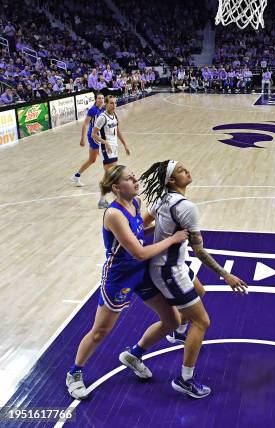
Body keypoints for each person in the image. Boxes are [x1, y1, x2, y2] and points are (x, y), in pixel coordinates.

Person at [66, 165, 188, 400]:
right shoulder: (113, 214)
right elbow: (140, 252)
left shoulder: (136, 204)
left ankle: (134, 354)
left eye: (134, 176)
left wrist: (165, 226)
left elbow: (139, 232)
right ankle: (74, 373)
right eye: (129, 178)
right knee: (100, 331)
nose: (135, 179)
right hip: (119, 276)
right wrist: (173, 239)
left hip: (140, 273)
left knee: (172, 320)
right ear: (116, 187)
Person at [137, 160, 248, 398]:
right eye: (180, 171)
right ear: (170, 180)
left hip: (172, 264)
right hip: (169, 270)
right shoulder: (187, 207)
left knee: (200, 290)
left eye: (185, 168)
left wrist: (157, 234)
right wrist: (225, 274)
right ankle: (185, 380)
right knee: (203, 322)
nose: (186, 171)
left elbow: (140, 225)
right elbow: (199, 250)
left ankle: (177, 333)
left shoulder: (162, 199)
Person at [92, 95, 130, 208]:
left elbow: (117, 131)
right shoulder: (102, 117)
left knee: (109, 175)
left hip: (114, 147)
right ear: (106, 104)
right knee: (114, 174)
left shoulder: (115, 115)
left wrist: (124, 144)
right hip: (106, 148)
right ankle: (119, 199)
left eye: (115, 103)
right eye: (111, 103)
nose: (114, 105)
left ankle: (102, 200)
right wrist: (105, 143)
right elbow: (94, 134)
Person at [71, 93, 105, 187]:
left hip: (99, 135)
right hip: (93, 136)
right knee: (105, 157)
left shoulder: (103, 108)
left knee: (92, 160)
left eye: (102, 98)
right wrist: (82, 139)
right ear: (96, 100)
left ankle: (76, 176)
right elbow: (85, 124)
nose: (101, 100)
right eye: (99, 98)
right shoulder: (92, 110)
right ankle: (108, 179)